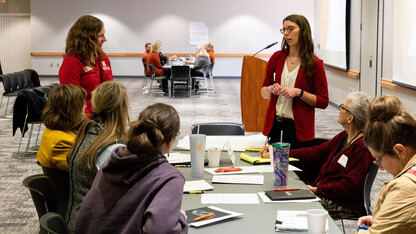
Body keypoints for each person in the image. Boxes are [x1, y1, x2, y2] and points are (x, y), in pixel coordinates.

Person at [75, 103, 188, 234]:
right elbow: (160, 230)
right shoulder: (169, 177)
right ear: (171, 141)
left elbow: (87, 214)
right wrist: (180, 219)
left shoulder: (114, 159)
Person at [261, 92, 374, 219]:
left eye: (343, 107)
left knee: (288, 204)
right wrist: (282, 152)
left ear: (350, 118)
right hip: (324, 192)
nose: (340, 109)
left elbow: (348, 187)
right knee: (280, 195)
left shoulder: (362, 148)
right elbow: (316, 152)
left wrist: (316, 190)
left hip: (341, 203)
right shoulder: (345, 136)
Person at [66, 81, 129, 233]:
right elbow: (130, 192)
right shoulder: (112, 150)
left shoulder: (88, 133)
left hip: (80, 219)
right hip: (94, 226)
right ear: (123, 109)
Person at [261, 14, 329, 149]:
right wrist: (269, 90)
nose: (286, 33)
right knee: (273, 166)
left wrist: (299, 92)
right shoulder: (276, 58)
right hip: (275, 125)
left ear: (303, 30)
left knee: (294, 168)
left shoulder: (315, 63)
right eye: (284, 30)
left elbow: (323, 101)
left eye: (290, 29)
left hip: (298, 129)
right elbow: (263, 92)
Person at [357, 95, 416, 233]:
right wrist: (382, 219)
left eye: (379, 159)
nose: (381, 168)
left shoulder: (405, 188)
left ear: (399, 151)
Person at [59, 15, 113, 115]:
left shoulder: (102, 57)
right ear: (88, 38)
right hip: (85, 121)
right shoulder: (71, 63)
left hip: (105, 116)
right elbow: (72, 102)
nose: (105, 39)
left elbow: (111, 89)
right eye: (101, 36)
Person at [36, 84, 86, 171]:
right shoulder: (61, 143)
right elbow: (81, 172)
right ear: (73, 110)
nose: (85, 107)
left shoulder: (55, 129)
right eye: (82, 105)